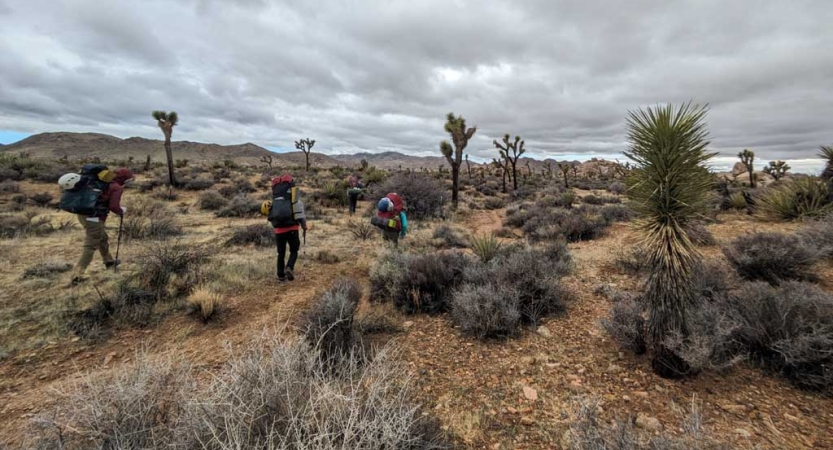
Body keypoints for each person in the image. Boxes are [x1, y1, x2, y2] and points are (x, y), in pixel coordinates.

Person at [72, 168, 133, 284]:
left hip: (82, 214)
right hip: (94, 217)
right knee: (91, 244)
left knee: (102, 238)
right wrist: (121, 211)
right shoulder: (117, 187)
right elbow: (114, 206)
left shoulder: (102, 182)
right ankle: (77, 275)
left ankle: (109, 261)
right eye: (128, 180)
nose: (127, 183)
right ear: (123, 178)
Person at [263, 174, 308, 282]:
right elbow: (301, 217)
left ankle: (280, 276)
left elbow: (270, 217)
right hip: (292, 229)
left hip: (279, 231)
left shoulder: (274, 202)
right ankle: (289, 267)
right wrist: (304, 227)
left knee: (280, 253)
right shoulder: (295, 202)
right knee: (294, 250)